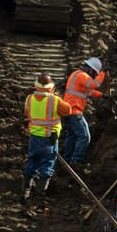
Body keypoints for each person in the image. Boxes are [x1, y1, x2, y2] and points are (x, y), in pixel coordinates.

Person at [22, 73, 73, 201]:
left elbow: (26, 113)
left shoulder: (29, 99)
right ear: (51, 88)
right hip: (49, 139)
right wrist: (56, 97)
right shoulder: (54, 100)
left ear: (36, 86)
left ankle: (26, 190)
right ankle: (40, 193)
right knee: (48, 164)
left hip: (34, 138)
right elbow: (68, 111)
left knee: (32, 161)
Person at [61, 57, 109, 169]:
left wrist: (102, 95)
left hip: (67, 111)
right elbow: (95, 84)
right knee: (84, 137)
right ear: (91, 70)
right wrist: (102, 73)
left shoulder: (76, 75)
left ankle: (67, 159)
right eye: (94, 74)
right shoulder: (81, 75)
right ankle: (76, 161)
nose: (93, 76)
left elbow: (89, 91)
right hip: (74, 111)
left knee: (72, 136)